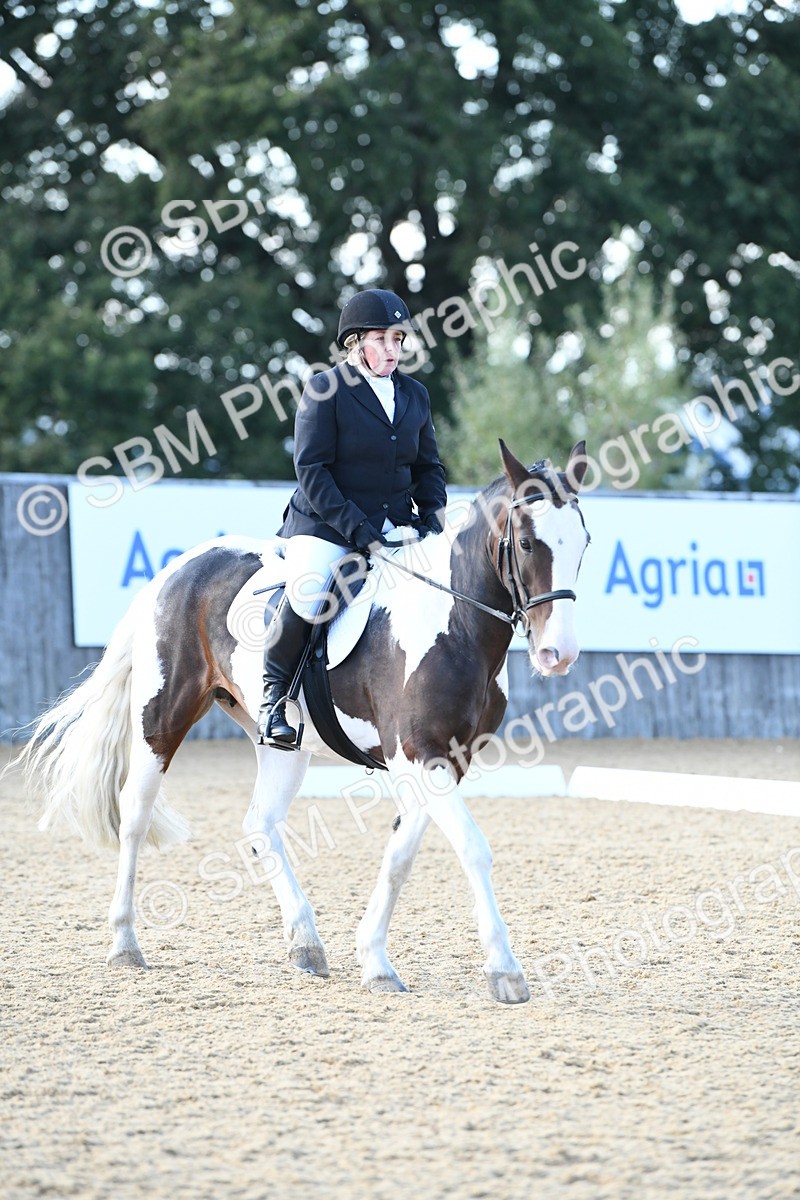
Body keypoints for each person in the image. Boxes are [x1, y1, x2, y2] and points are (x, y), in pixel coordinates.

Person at [257, 288, 448, 747]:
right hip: (327, 524)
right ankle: (274, 699)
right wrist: (358, 530)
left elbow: (429, 467)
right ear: (355, 342)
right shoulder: (326, 389)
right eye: (382, 339)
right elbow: (312, 471)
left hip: (393, 527)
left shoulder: (414, 395)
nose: (392, 349)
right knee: (309, 593)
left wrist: (432, 521)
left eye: (398, 339)